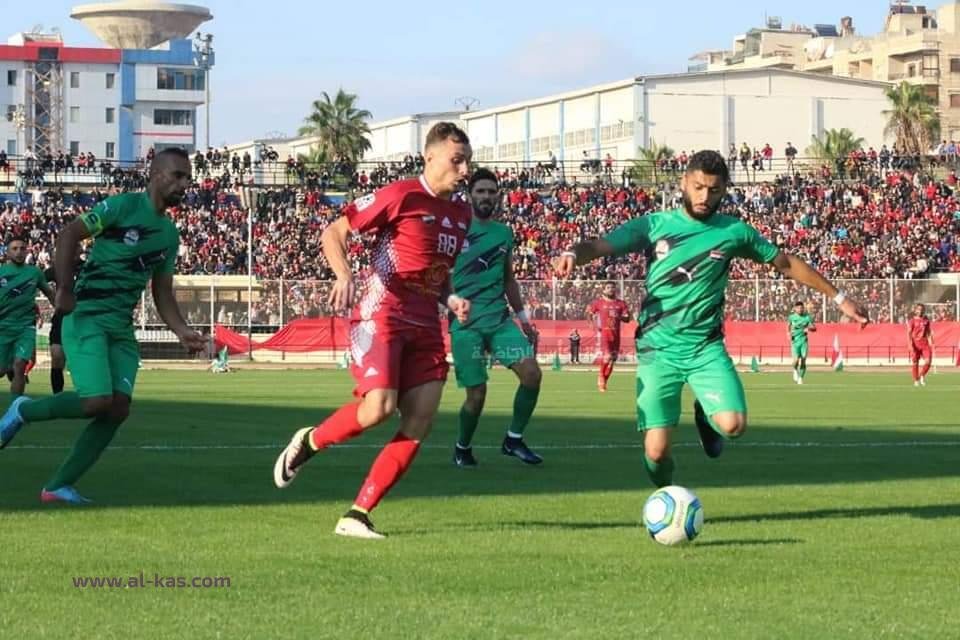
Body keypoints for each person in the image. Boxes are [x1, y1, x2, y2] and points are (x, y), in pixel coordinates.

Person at [554, 150, 869, 487]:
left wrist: (840, 298)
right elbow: (599, 246)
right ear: (684, 183)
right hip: (657, 350)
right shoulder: (654, 225)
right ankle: (669, 499)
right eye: (698, 187)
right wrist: (572, 252)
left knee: (734, 425)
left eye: (714, 190)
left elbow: (786, 263)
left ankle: (705, 416)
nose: (705, 197)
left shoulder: (734, 232)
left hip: (705, 348)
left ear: (724, 190)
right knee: (657, 453)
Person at [272, 122, 473, 539]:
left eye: (468, 161)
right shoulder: (400, 195)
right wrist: (343, 275)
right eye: (457, 160)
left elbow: (439, 274)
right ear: (430, 156)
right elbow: (334, 231)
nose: (465, 170)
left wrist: (451, 299)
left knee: (420, 420)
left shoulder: (461, 213)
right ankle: (310, 441)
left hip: (426, 325)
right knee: (378, 408)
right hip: (383, 315)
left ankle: (358, 513)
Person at [0, 148, 207, 504]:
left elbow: (162, 291)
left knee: (118, 408)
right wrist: (65, 288)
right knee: (96, 401)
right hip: (87, 317)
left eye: (188, 178)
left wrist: (182, 330)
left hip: (121, 329)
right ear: (155, 175)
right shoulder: (122, 207)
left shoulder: (169, 235)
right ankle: (22, 410)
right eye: (178, 175)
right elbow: (69, 235)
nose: (184, 184)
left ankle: (58, 486)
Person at [449, 168, 542, 468]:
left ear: (498, 196)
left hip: (500, 322)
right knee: (477, 395)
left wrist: (524, 319)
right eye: (480, 191)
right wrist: (450, 302)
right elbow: (439, 274)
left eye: (491, 192)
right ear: (470, 195)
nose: (486, 196)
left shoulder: (504, 233)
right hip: (466, 326)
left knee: (532, 374)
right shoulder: (455, 230)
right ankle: (462, 448)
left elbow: (509, 279)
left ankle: (513, 439)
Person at [0, 236, 55, 396]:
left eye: (22, 248)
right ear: (7, 252)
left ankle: (15, 407)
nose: (19, 252)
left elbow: (50, 293)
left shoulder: (34, 272)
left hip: (25, 327)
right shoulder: (1, 272)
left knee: (20, 365)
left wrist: (61, 311)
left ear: (27, 251)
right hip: (3, 327)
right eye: (14, 249)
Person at [586, 282, 630, 392]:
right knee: (607, 356)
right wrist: (590, 323)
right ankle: (601, 376)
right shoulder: (599, 303)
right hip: (605, 334)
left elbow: (627, 319)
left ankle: (604, 381)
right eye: (608, 287)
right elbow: (589, 313)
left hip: (616, 335)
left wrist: (620, 316)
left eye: (613, 288)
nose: (611, 289)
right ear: (604, 290)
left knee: (612, 360)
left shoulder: (621, 304)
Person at [787, 300, 816, 385]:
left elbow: (814, 328)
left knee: (803, 359)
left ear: (803, 308)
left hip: (804, 342)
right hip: (795, 342)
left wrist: (809, 328)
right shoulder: (791, 317)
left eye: (801, 308)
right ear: (795, 309)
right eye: (798, 308)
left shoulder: (807, 317)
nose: (800, 309)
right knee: (796, 360)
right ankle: (795, 369)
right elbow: (788, 326)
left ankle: (800, 378)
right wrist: (788, 334)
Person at [907, 303, 933, 386]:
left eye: (922, 309)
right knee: (915, 362)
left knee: (928, 362)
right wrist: (910, 344)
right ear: (915, 310)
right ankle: (916, 380)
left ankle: (922, 375)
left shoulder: (926, 320)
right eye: (918, 309)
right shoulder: (912, 321)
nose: (920, 311)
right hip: (915, 344)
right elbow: (909, 333)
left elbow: (928, 332)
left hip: (925, 344)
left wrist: (931, 341)